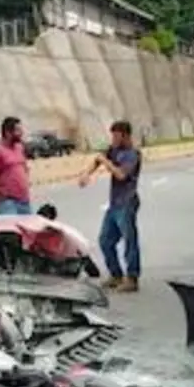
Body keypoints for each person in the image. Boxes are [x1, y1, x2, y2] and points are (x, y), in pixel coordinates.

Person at [79, 121, 142, 293]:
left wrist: (105, 162)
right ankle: (116, 274)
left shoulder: (132, 154)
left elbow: (121, 175)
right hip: (114, 203)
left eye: (116, 136)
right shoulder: (113, 151)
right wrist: (86, 174)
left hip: (127, 202)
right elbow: (98, 160)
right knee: (105, 240)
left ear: (125, 136)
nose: (113, 139)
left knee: (130, 240)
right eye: (112, 135)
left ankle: (132, 277)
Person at [0, 116, 31, 215]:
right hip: (7, 203)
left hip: (24, 200)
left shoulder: (19, 147)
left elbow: (24, 168)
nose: (21, 133)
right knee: (10, 229)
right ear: (8, 132)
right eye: (18, 130)